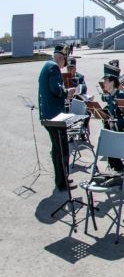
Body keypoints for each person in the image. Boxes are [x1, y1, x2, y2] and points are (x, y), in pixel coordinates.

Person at [38, 44, 74, 191]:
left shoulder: (47, 65)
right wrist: (67, 93)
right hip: (55, 118)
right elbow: (55, 89)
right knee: (62, 150)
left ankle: (61, 178)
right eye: (63, 62)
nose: (63, 66)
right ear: (60, 58)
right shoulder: (53, 68)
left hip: (47, 115)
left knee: (57, 149)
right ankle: (62, 182)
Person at [100, 63, 124, 172]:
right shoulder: (111, 95)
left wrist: (116, 124)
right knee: (105, 137)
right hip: (116, 130)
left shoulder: (120, 95)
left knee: (108, 139)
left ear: (112, 82)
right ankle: (116, 167)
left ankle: (119, 169)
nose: (103, 83)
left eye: (106, 80)